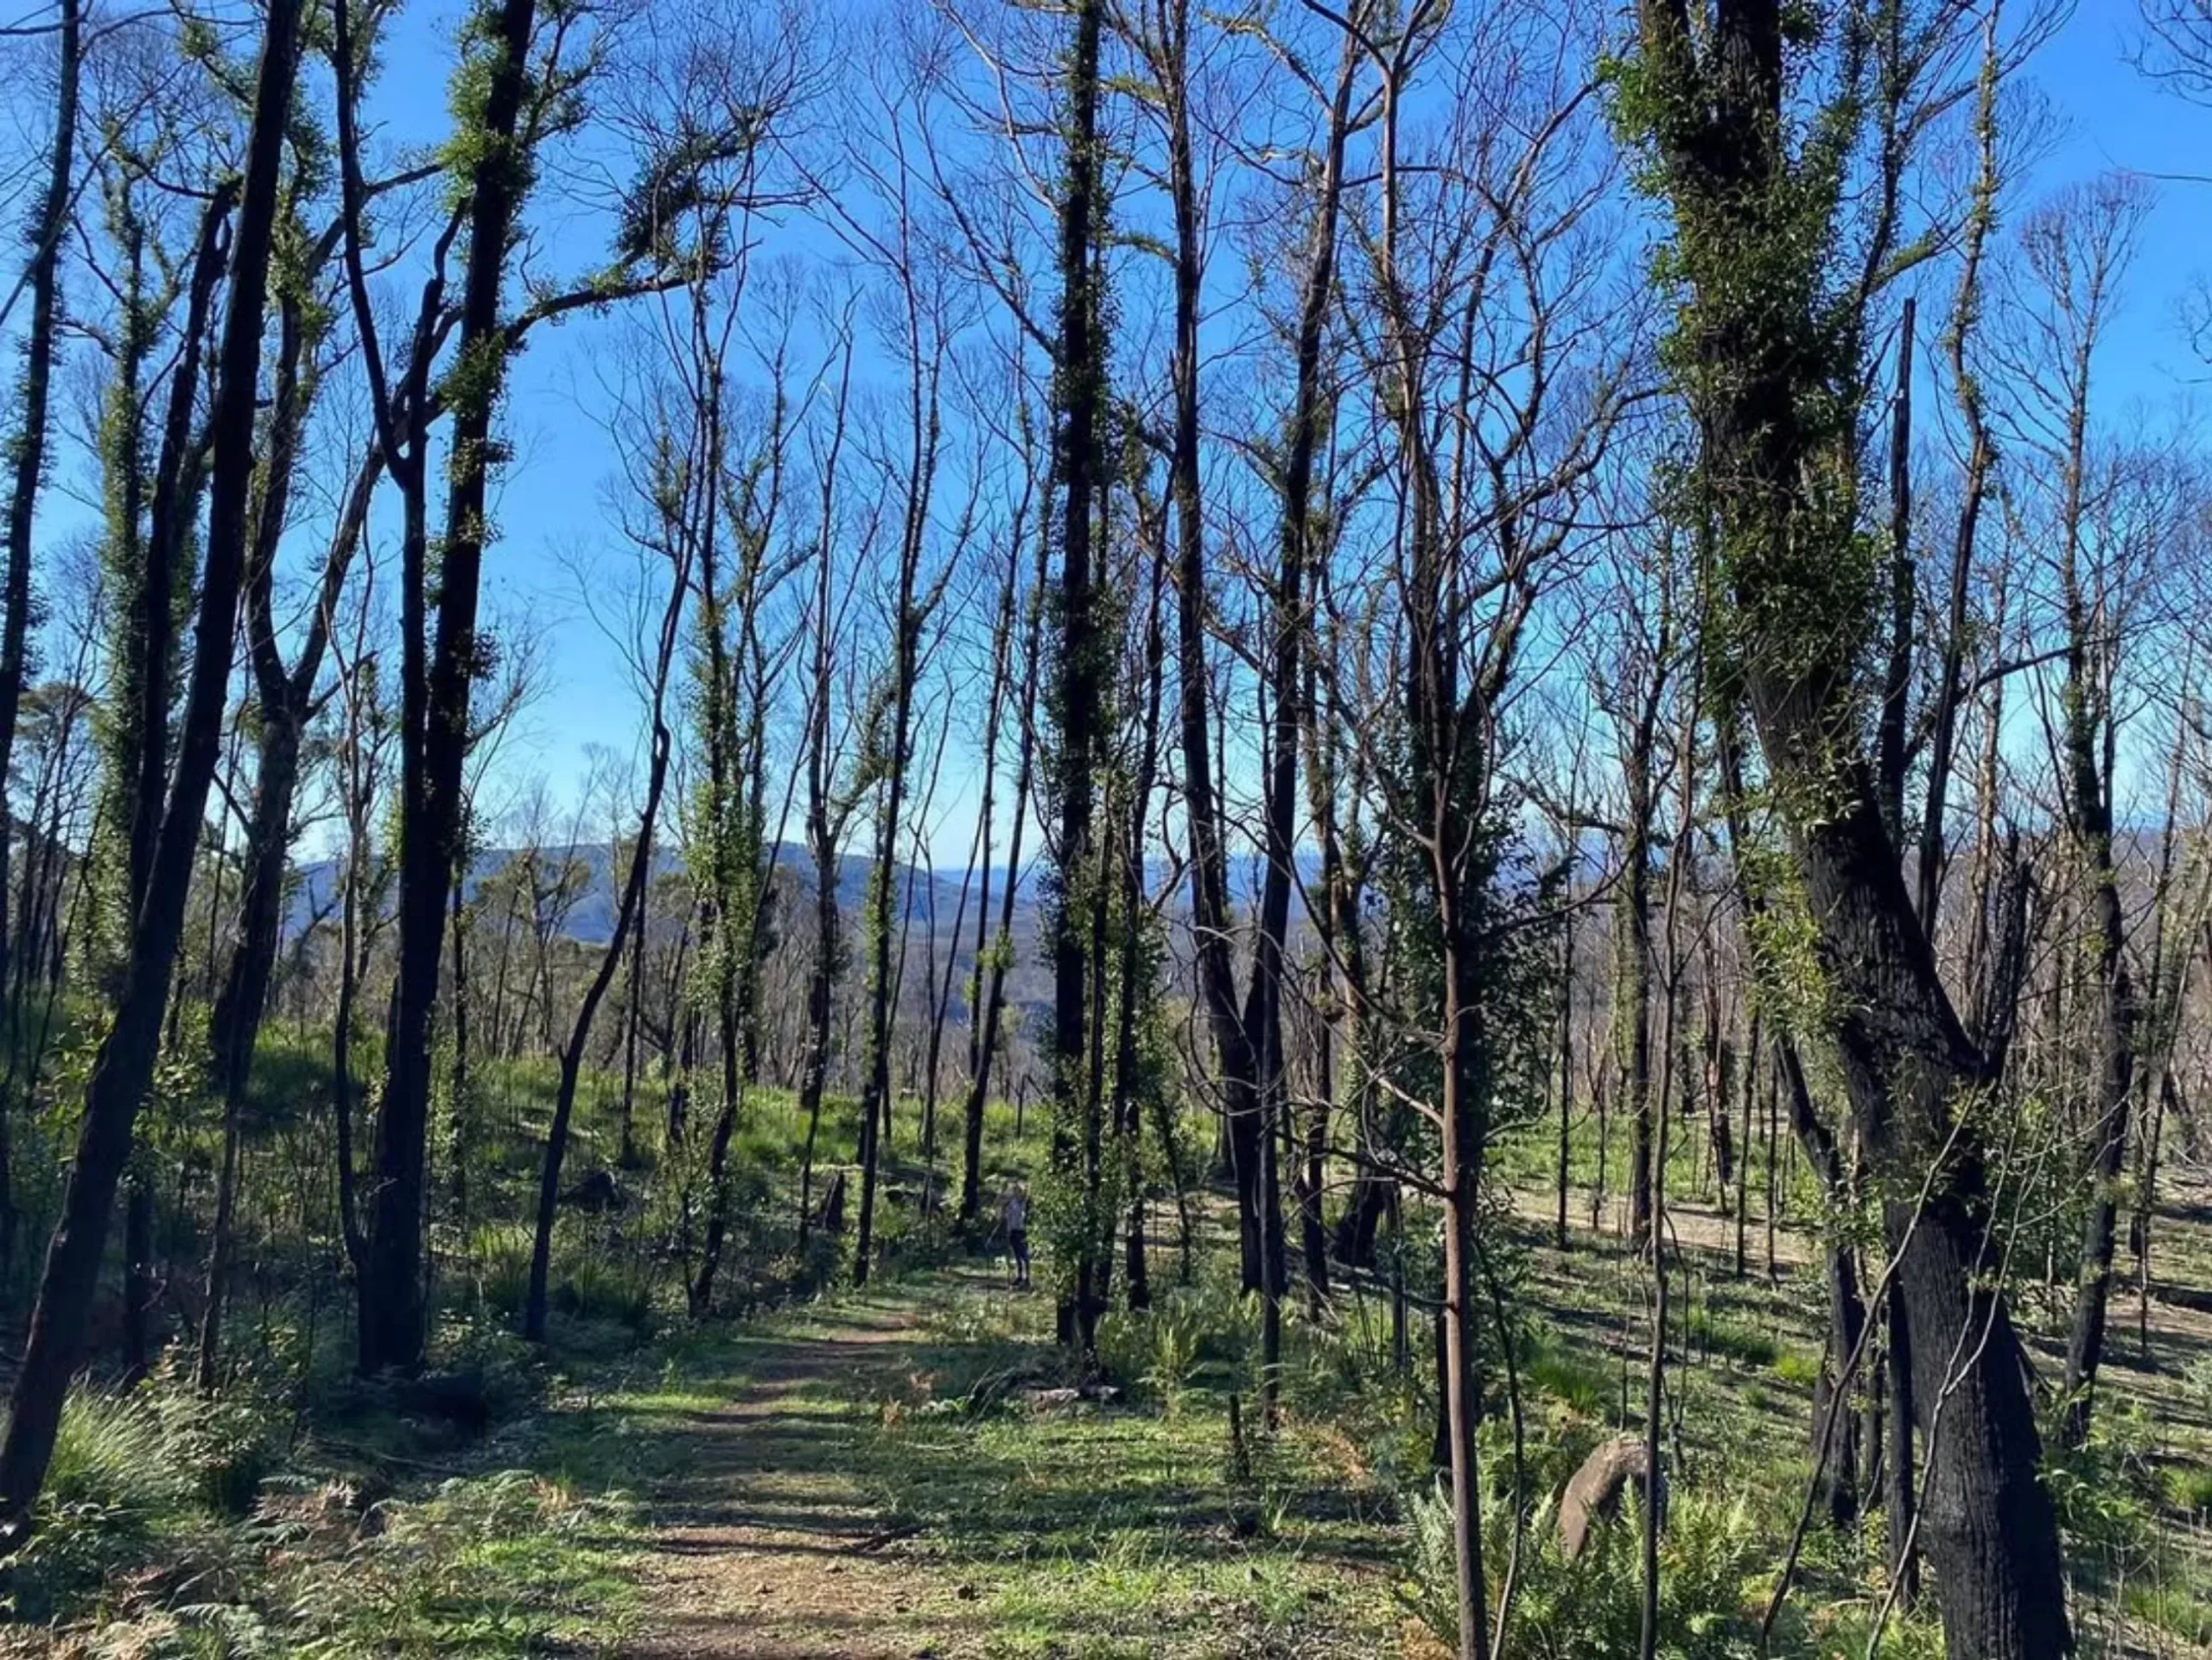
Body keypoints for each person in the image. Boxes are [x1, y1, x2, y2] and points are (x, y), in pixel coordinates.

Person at [1002, 1181, 1031, 1288]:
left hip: (1023, 1231)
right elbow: (1008, 1217)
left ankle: (1027, 1277)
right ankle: (1019, 1276)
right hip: (1013, 1231)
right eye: (1015, 1191)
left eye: (1018, 1191)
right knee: (1017, 1255)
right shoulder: (1012, 1203)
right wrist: (1008, 1230)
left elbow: (1028, 1217)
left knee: (1025, 1255)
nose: (1016, 1193)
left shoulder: (1026, 1204)